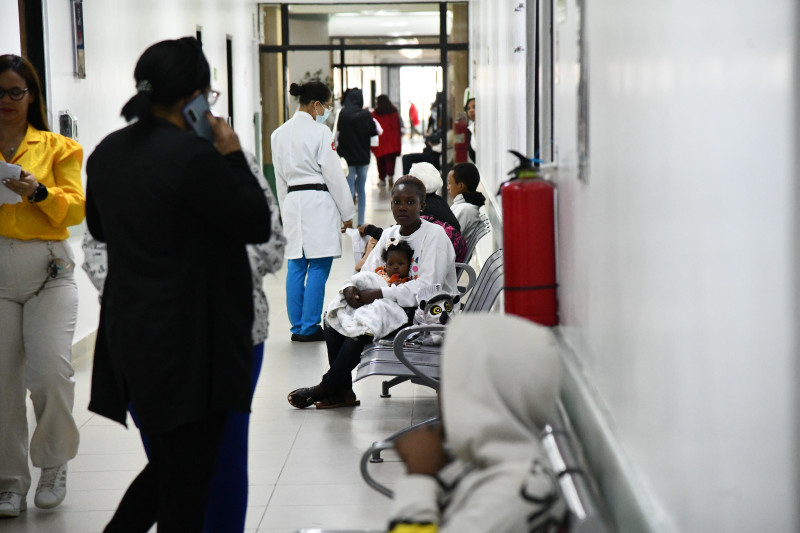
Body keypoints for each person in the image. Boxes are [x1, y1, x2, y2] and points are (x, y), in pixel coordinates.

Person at [84, 37, 272, 531]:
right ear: (194, 98)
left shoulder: (106, 153)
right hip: (192, 344)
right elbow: (256, 223)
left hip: (133, 338)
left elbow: (100, 230)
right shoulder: (196, 157)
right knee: (184, 482)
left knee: (173, 467)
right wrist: (232, 154)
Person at [287, 176, 457, 410]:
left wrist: (379, 294)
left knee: (362, 327)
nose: (402, 208)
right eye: (397, 202)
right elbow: (367, 271)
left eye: (410, 202)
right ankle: (343, 390)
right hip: (390, 303)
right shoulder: (389, 235)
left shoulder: (434, 236)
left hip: (425, 312)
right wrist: (351, 288)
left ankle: (325, 387)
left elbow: (426, 289)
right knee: (333, 314)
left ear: (422, 205)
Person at [0, 54, 84, 518]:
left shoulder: (58, 147)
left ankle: (53, 464)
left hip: (48, 272)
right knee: (2, 383)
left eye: (16, 92)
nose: (7, 101)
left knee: (50, 373)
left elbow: (76, 208)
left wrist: (38, 192)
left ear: (32, 95)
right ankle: (9, 482)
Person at [388, 313, 566, 532]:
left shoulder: (514, 494)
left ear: (482, 393)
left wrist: (419, 476)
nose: (441, 394)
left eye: (453, 381)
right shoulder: (487, 462)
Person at [271, 80, 356, 342]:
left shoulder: (278, 134)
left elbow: (279, 180)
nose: (327, 111)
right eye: (327, 106)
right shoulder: (321, 133)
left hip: (292, 201)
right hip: (317, 200)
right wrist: (347, 213)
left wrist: (285, 211)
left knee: (296, 265)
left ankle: (297, 327)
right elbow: (334, 175)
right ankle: (309, 327)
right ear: (315, 104)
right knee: (318, 264)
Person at [359, 163, 466, 263]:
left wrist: (370, 230)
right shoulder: (439, 201)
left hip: (432, 260)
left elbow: (399, 240)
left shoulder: (421, 209)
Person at [325, 241, 415, 342]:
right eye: (390, 264)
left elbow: (398, 295)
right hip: (364, 301)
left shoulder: (405, 282)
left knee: (378, 307)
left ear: (408, 265)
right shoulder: (380, 274)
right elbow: (366, 279)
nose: (395, 267)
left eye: (400, 264)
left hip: (380, 306)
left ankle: (367, 325)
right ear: (385, 265)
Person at [337, 87, 377, 226]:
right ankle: (361, 221)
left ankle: (348, 220)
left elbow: (338, 132)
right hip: (363, 157)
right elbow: (373, 132)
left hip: (348, 159)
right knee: (361, 190)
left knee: (349, 189)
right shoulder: (366, 114)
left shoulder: (343, 114)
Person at [447, 162, 487, 249]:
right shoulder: (463, 206)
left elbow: (447, 239)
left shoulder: (466, 210)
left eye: (450, 183)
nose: (448, 187)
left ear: (461, 186)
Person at [372, 95, 402, 187]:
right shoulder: (394, 112)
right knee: (391, 160)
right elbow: (397, 127)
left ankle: (382, 179)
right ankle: (390, 176)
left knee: (380, 161)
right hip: (392, 140)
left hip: (380, 141)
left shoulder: (374, 114)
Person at [464, 97, 476, 163]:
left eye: (474, 107)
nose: (471, 110)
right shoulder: (470, 129)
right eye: (468, 108)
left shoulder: (486, 127)